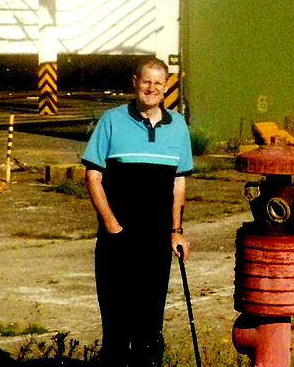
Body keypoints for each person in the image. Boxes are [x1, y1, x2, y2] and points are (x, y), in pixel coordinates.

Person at [82, 57, 194, 367]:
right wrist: (113, 228)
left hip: (157, 242)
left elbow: (178, 183)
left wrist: (176, 232)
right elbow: (93, 179)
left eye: (158, 83)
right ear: (135, 82)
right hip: (116, 241)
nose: (151, 88)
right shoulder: (111, 121)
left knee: (149, 330)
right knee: (116, 330)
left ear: (166, 87)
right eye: (146, 81)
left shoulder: (178, 127)